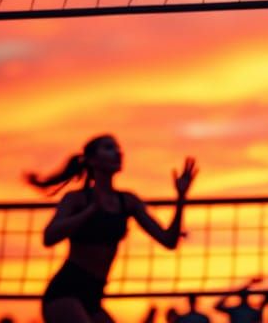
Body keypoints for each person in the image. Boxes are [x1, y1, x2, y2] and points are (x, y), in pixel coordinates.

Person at [28, 133, 197, 323]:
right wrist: (89, 212)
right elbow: (49, 237)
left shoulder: (127, 201)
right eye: (108, 148)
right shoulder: (76, 199)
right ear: (92, 160)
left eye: (117, 148)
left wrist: (181, 197)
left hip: (93, 297)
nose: (117, 152)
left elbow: (169, 241)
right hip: (65, 292)